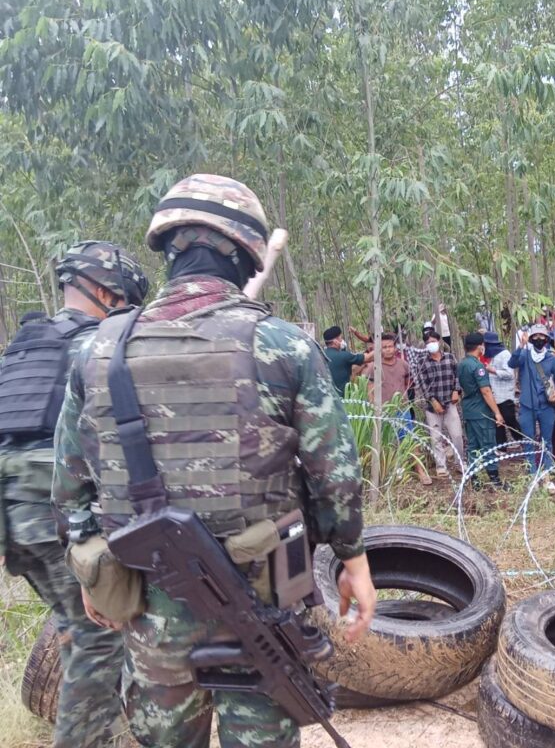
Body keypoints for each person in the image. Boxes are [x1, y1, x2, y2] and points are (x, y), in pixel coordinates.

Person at [51, 174, 375, 747]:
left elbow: (70, 484)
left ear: (169, 247)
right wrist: (353, 559)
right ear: (245, 252)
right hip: (262, 592)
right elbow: (335, 475)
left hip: (149, 603)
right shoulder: (282, 345)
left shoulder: (96, 350)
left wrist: (91, 571)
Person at [0, 242, 148, 748]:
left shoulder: (26, 346)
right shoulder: (96, 345)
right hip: (55, 511)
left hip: (17, 516)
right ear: (107, 293)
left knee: (78, 627)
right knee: (100, 635)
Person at [369, 333, 433, 486]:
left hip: (402, 409)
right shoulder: (374, 367)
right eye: (384, 347)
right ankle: (394, 471)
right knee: (389, 442)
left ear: (395, 347)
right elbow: (370, 389)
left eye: (390, 346)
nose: (388, 349)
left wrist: (404, 399)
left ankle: (420, 471)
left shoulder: (403, 364)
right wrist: (375, 408)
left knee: (409, 439)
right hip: (384, 411)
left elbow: (407, 384)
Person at [509, 325, 555, 482]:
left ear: (546, 339)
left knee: (547, 442)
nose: (539, 339)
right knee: (528, 441)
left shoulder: (552, 359)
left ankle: (547, 474)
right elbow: (511, 363)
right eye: (535, 336)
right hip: (527, 406)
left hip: (546, 406)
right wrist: (521, 346)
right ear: (531, 339)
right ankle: (532, 474)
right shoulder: (524, 355)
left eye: (542, 336)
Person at [459, 333, 506, 487]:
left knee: (473, 445)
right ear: (480, 346)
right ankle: (495, 480)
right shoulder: (478, 366)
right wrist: (497, 413)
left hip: (469, 410)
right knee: (488, 444)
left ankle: (475, 480)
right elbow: (485, 391)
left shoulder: (462, 364)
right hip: (481, 412)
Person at [420, 330, 465, 478]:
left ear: (439, 341)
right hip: (432, 407)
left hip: (450, 403)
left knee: (457, 435)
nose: (431, 344)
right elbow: (423, 384)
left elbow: (457, 376)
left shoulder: (450, 358)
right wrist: (433, 401)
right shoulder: (423, 362)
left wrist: (456, 391)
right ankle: (441, 466)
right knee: (436, 437)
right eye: (428, 343)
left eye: (433, 341)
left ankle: (460, 463)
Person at [483, 332, 522, 448]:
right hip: (494, 395)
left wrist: (493, 370)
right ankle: (502, 447)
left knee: (510, 420)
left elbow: (510, 374)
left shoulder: (504, 354)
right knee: (497, 421)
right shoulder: (489, 356)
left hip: (505, 395)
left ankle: (523, 441)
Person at [323, 325, 374, 394]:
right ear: (335, 341)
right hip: (343, 396)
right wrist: (381, 346)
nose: (342, 341)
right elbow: (368, 358)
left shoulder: (320, 354)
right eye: (341, 339)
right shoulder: (344, 356)